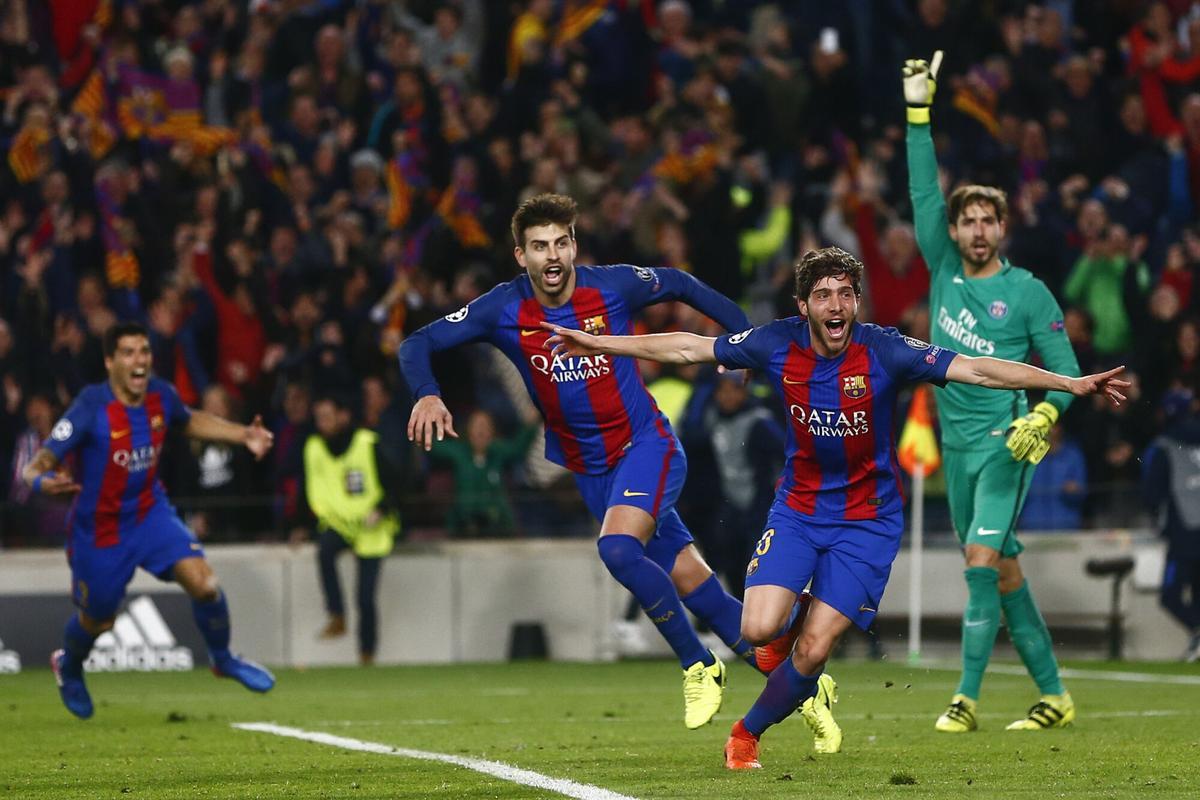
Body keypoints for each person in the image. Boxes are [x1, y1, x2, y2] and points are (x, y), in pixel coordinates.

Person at [542, 246, 1128, 769]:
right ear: (804, 306)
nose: (836, 303)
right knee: (757, 627)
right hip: (798, 509)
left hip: (868, 520)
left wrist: (1064, 384)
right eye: (823, 294)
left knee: (815, 648)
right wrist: (600, 343)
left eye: (846, 292)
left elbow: (976, 368)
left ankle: (747, 734)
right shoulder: (775, 343)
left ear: (856, 302)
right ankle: (799, 663)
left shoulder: (887, 350)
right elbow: (690, 347)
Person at [400, 193, 792, 729]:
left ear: (574, 245)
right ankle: (803, 687)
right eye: (539, 246)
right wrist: (427, 393)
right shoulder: (502, 309)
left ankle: (699, 665)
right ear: (521, 256)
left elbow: (677, 281)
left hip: (645, 446)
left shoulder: (610, 286)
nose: (552, 255)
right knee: (695, 583)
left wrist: (741, 338)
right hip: (591, 470)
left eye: (561, 242)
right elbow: (417, 343)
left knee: (616, 548)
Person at [905, 52, 1087, 732]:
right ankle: (1056, 696)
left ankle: (966, 699)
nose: (976, 230)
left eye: (988, 220)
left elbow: (1065, 369)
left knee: (981, 563)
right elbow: (924, 190)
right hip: (954, 448)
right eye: (967, 221)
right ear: (953, 232)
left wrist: (1044, 411)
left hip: (1006, 445)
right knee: (1003, 572)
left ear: (1002, 228)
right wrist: (917, 116)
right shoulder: (944, 267)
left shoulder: (1028, 291)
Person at [22, 321, 276, 719]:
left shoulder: (161, 394)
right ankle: (69, 664)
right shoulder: (90, 406)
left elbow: (188, 419)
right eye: (128, 353)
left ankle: (223, 659)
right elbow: (37, 464)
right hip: (100, 531)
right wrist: (40, 481)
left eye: (144, 351)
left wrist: (243, 435)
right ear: (110, 361)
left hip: (149, 513)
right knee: (99, 620)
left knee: (205, 583)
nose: (139, 361)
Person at [303, 392, 402, 666]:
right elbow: (311, 491)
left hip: (372, 529)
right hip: (341, 524)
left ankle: (366, 655)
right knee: (324, 550)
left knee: (365, 598)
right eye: (318, 418)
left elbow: (398, 482)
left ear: (343, 416)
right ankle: (337, 614)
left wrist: (380, 508)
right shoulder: (314, 447)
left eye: (327, 416)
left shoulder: (367, 443)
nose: (321, 423)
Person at [1141, 389, 1200, 662]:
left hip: (1183, 532)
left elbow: (1151, 492)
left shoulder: (1163, 445)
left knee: (1170, 594)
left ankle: (1197, 633)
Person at [429, 408, 538, 538]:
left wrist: (531, 423)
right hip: (463, 524)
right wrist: (425, 418)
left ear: (492, 432)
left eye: (485, 426)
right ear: (468, 431)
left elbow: (518, 448)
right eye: (476, 426)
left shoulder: (498, 451)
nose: (481, 430)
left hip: (497, 524)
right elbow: (433, 446)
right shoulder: (459, 452)